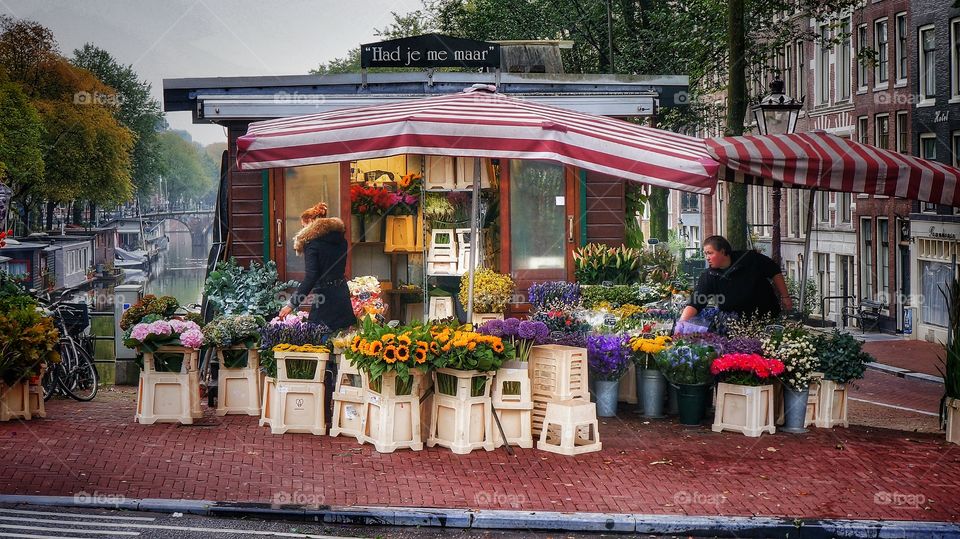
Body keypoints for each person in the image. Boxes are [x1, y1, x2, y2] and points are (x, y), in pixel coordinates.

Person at [677, 235, 792, 325]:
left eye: (710, 253)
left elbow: (774, 271)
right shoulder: (709, 276)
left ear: (723, 251)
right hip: (735, 324)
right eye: (705, 254)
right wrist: (681, 324)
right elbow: (695, 303)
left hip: (767, 317)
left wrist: (785, 297)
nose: (707, 257)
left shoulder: (750, 259)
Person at [277, 202, 355, 332]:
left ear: (311, 223)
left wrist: (291, 305)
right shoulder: (341, 240)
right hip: (341, 292)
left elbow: (311, 277)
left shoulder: (312, 244)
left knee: (314, 336)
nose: (302, 230)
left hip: (324, 297)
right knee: (341, 338)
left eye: (303, 226)